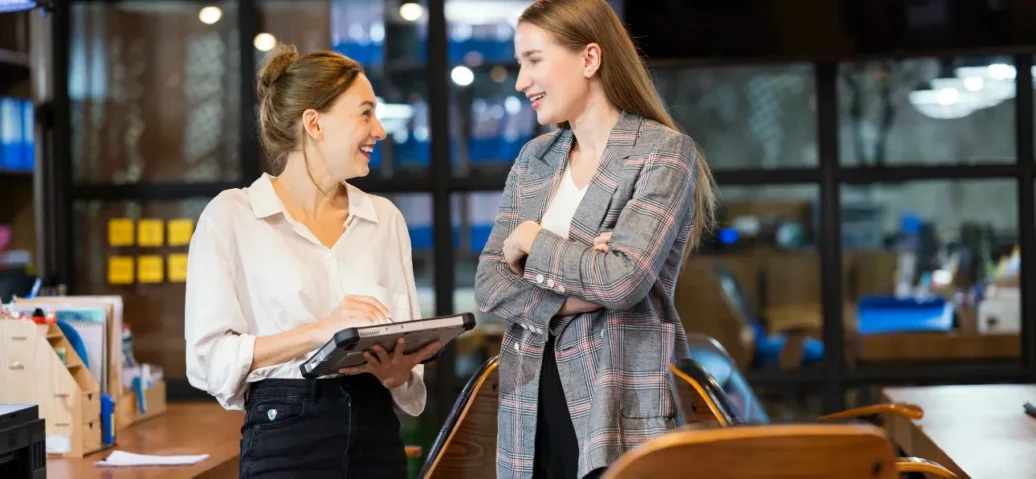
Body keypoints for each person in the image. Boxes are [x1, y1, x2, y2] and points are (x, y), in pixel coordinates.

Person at [473, 0, 718, 478]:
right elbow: (489, 284)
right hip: (529, 404)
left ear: (589, 59)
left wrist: (531, 241)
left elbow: (622, 281)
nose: (522, 81)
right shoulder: (534, 159)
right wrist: (584, 288)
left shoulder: (663, 153)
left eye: (534, 60)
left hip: (618, 401)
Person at [184, 44, 441, 478]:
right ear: (314, 123)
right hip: (284, 437)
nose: (379, 130)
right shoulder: (233, 216)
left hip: (377, 433)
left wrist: (399, 374)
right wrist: (321, 333)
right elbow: (207, 360)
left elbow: (410, 380)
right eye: (365, 113)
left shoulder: (384, 220)